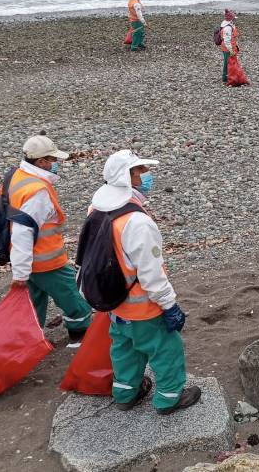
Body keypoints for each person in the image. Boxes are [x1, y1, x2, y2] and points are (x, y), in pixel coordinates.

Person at [89, 150, 201, 413]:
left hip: (115, 302)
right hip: (143, 307)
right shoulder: (137, 222)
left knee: (124, 348)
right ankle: (169, 398)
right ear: (127, 178)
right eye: (139, 171)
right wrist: (169, 305)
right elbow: (151, 273)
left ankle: (125, 393)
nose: (145, 175)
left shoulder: (97, 209)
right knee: (166, 350)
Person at [9, 135, 92, 344]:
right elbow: (23, 232)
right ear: (41, 162)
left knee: (34, 303)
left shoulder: (18, 177)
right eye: (52, 159)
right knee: (74, 299)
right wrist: (20, 273)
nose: (56, 164)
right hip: (47, 263)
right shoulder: (37, 192)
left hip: (30, 263)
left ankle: (27, 343)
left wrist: (21, 269)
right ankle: (80, 335)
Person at [219, 9, 238, 83]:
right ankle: (225, 78)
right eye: (233, 18)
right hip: (227, 49)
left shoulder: (230, 25)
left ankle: (230, 76)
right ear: (231, 19)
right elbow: (227, 41)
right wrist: (231, 50)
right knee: (227, 63)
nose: (235, 20)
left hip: (231, 47)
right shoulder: (227, 28)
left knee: (230, 63)